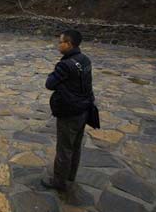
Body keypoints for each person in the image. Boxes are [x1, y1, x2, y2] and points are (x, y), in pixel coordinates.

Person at [41, 30, 96, 191]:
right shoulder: (85, 60)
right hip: (83, 109)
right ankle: (70, 174)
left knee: (64, 147)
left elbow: (49, 83)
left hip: (70, 111)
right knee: (75, 145)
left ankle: (59, 181)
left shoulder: (65, 65)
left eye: (61, 42)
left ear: (69, 44)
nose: (59, 45)